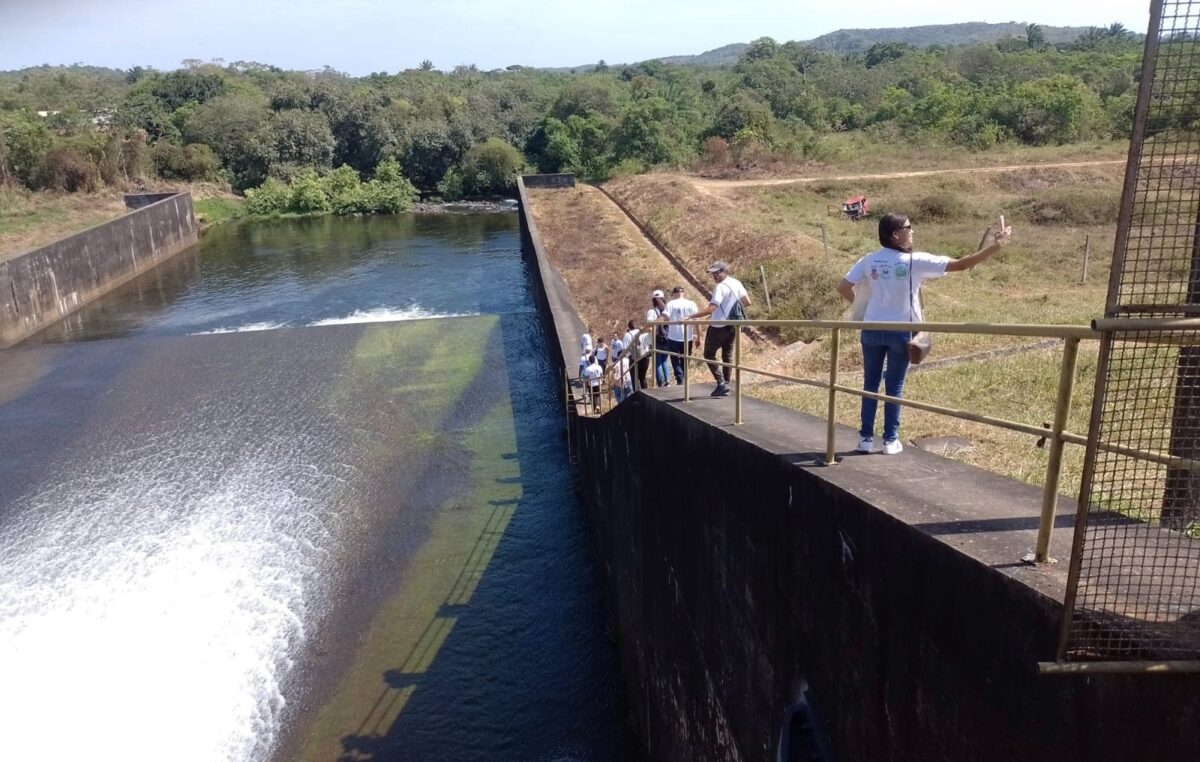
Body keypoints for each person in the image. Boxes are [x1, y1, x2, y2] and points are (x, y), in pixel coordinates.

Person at [837, 212, 1012, 455]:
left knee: (870, 384)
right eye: (909, 227)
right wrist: (996, 247)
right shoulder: (914, 261)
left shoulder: (869, 260)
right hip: (901, 332)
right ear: (896, 234)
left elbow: (843, 286)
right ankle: (890, 441)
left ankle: (865, 439)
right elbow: (961, 264)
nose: (913, 231)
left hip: (872, 329)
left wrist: (864, 307)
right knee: (894, 387)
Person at [693, 260, 750, 397]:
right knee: (727, 355)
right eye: (713, 274)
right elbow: (747, 302)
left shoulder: (720, 287)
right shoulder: (736, 283)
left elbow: (712, 308)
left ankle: (721, 383)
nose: (714, 276)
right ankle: (727, 384)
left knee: (708, 354)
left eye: (717, 273)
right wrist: (732, 307)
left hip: (718, 326)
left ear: (724, 271)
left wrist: (691, 316)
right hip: (733, 325)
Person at [664, 285, 699, 385]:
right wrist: (698, 336)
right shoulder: (691, 304)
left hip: (673, 337)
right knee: (685, 358)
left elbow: (665, 317)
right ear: (683, 293)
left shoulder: (671, 303)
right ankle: (683, 378)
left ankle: (680, 379)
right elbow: (697, 321)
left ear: (674, 294)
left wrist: (655, 323)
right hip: (687, 337)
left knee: (675, 359)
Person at [647, 292, 671, 387]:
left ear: (653, 300)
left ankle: (660, 383)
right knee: (665, 360)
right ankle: (668, 381)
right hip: (667, 338)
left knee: (657, 362)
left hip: (656, 339)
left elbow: (650, 327)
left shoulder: (652, 312)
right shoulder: (668, 310)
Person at [628, 318, 652, 390]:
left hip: (634, 358)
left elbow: (625, 348)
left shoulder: (628, 334)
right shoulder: (644, 333)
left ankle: (637, 395)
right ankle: (646, 392)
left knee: (634, 377)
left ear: (629, 327)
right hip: (645, 357)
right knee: (642, 377)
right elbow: (650, 342)